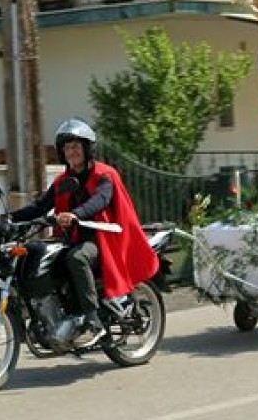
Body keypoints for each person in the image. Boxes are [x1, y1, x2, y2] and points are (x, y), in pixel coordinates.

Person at [10, 117, 159, 347]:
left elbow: (100, 200)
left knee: (76, 257)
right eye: (67, 147)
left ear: (87, 148)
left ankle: (93, 321)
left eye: (77, 146)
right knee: (38, 255)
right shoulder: (62, 181)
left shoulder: (104, 175)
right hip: (73, 238)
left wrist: (76, 214)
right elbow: (40, 206)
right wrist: (9, 218)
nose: (72, 151)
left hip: (103, 240)